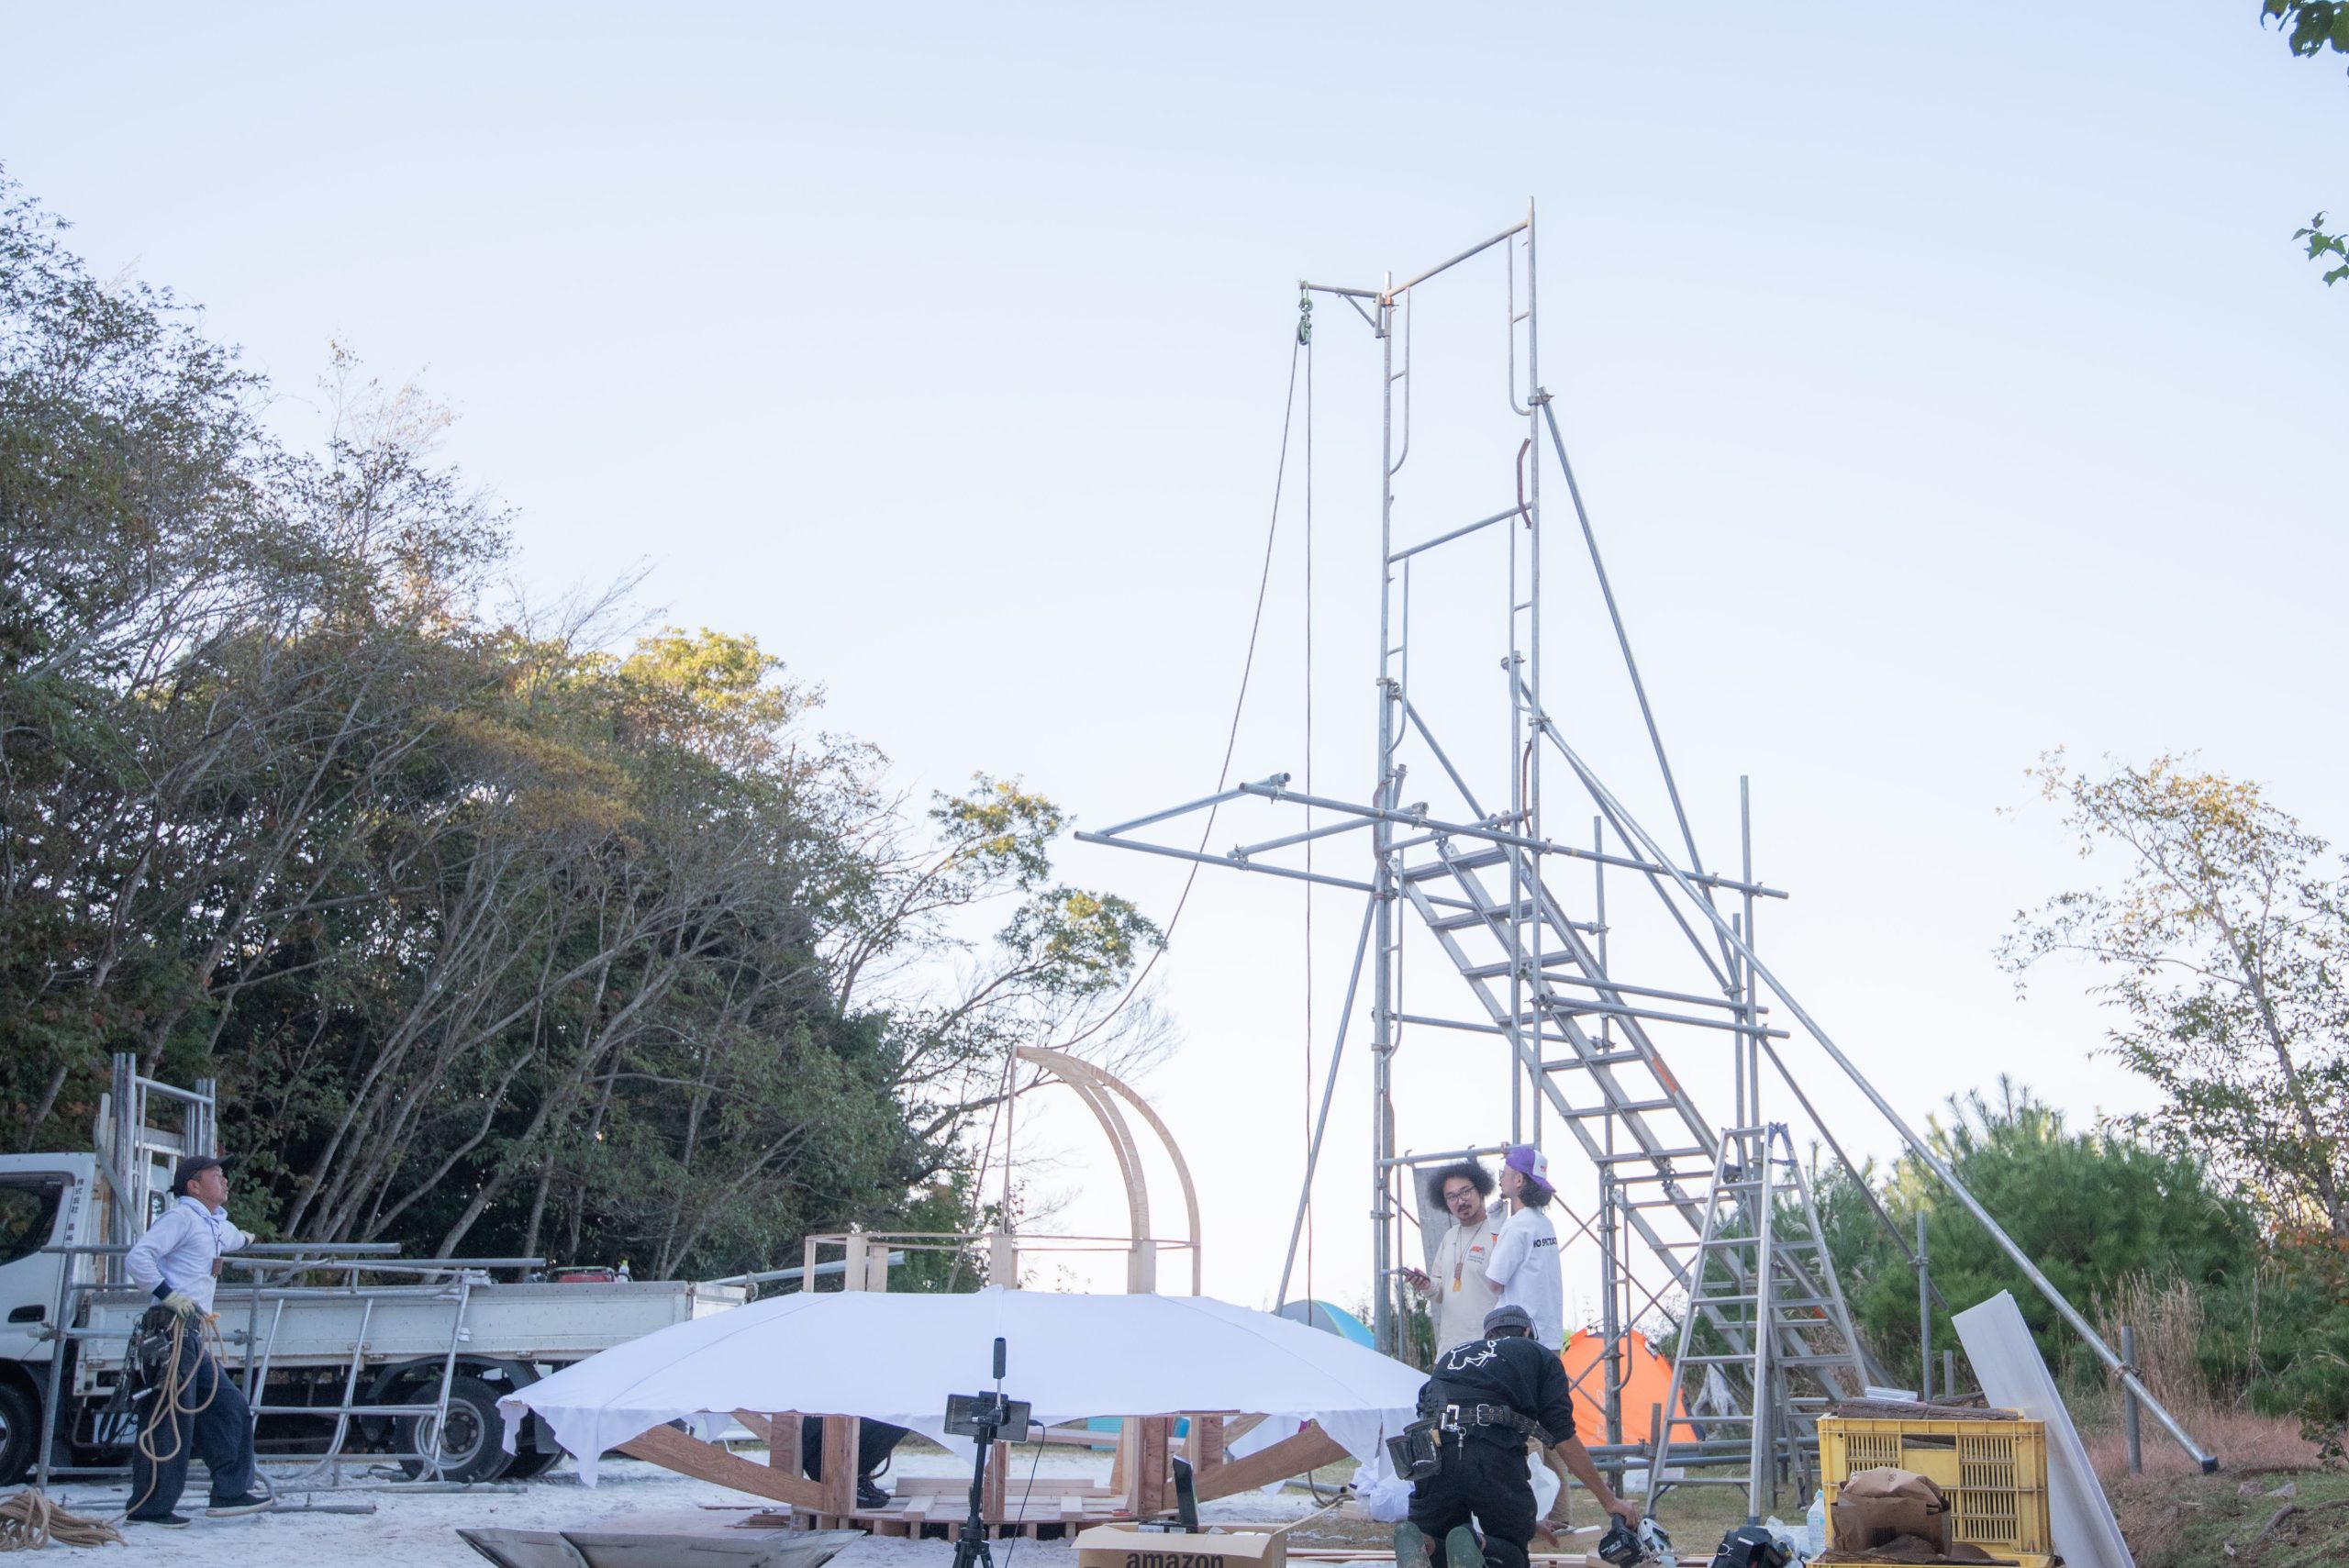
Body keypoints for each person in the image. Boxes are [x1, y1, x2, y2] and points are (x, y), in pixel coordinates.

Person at [1394, 1305, 1639, 1568]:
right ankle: (1479, 1544)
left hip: (1432, 1452)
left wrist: (1528, 1524)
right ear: (1527, 1332)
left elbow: (1425, 1402)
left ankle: (1426, 1544)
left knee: (1440, 1541)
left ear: (1489, 1336)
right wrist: (1609, 1500)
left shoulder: (1454, 1355)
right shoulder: (1538, 1355)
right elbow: (1563, 1438)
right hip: (1489, 1450)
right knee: (1511, 1551)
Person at [121, 1154, 269, 1528]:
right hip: (168, 1329)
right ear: (193, 1185)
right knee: (169, 1417)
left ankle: (230, 1492)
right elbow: (138, 1258)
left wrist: (248, 1239)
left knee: (229, 1405)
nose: (224, 1180)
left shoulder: (213, 1223)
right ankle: (150, 1507)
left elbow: (232, 1237)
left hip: (190, 1334)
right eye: (216, 1175)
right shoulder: (181, 1218)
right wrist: (168, 1294)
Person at [1400, 1162, 1504, 1354]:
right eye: (1452, 1197)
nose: (1460, 1201)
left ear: (1480, 1190)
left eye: (1465, 1192)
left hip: (1489, 1346)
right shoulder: (1450, 1236)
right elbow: (1439, 1291)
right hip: (1450, 1348)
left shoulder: (1499, 1232)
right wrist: (1426, 1284)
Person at [1484, 1145, 1563, 1352]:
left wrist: (1495, 1231)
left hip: (1521, 1337)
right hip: (1550, 1335)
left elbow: (1494, 1284)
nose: (1501, 1179)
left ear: (1518, 1180)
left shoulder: (1517, 1225)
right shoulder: (1545, 1223)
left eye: (1504, 1173)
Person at [800, 1416, 912, 1510]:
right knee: (897, 1421)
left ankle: (857, 1478)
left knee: (901, 1420)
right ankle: (851, 1484)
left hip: (827, 1449)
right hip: (821, 1459)